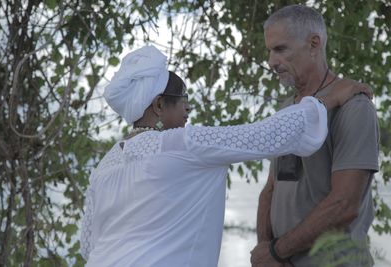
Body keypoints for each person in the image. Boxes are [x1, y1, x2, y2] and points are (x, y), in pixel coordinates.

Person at [79, 45, 371, 267]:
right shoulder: (182, 143)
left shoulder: (104, 166)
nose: (188, 113)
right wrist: (327, 100)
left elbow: (88, 245)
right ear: (158, 105)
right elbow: (265, 135)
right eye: (184, 103)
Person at [251, 4, 379, 267]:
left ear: (313, 44)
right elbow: (271, 188)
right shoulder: (287, 110)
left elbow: (344, 205)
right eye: (269, 51)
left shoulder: (354, 106)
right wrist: (266, 249)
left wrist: (277, 251)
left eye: (280, 49)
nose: (271, 62)